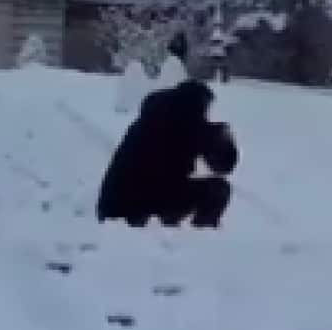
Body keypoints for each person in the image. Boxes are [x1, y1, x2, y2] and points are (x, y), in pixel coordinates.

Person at [96, 79, 238, 228]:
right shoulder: (187, 122)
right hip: (137, 208)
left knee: (175, 188)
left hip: (111, 206)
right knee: (218, 190)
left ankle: (171, 231)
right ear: (197, 103)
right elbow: (224, 164)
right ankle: (198, 236)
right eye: (206, 108)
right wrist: (222, 136)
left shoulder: (152, 117)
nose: (206, 114)